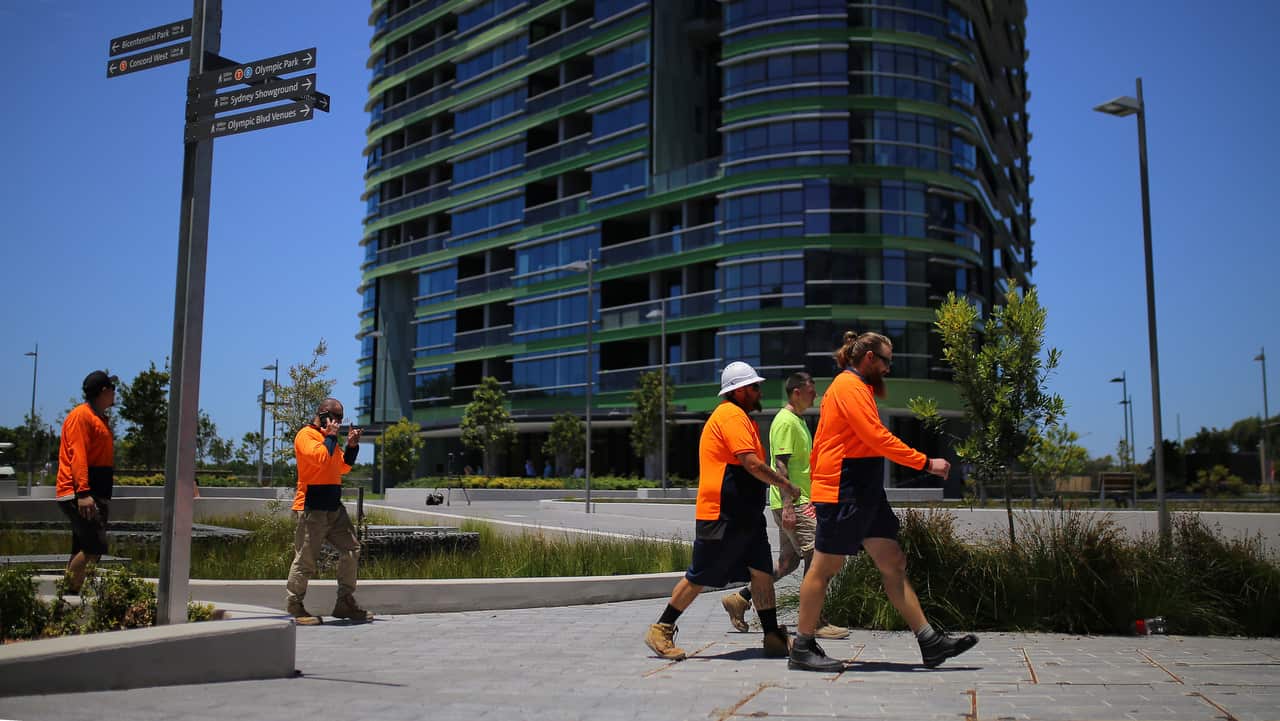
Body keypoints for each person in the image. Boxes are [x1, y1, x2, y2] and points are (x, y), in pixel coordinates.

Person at [788, 332, 977, 672]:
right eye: (887, 361)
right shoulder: (848, 387)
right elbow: (876, 437)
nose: (889, 369)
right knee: (824, 567)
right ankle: (802, 646)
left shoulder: (858, 387)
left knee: (892, 560)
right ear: (871, 358)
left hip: (864, 491)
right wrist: (926, 462)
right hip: (843, 489)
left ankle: (929, 642)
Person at [644, 361, 801, 661]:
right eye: (754, 387)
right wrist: (786, 485)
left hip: (745, 515)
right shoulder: (729, 415)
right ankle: (661, 628)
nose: (759, 391)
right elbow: (751, 464)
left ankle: (771, 635)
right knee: (700, 574)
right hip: (722, 513)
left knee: (762, 572)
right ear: (740, 391)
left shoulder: (742, 417)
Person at [722, 371, 849, 640]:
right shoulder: (785, 422)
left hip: (796, 500)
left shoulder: (798, 421)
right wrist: (790, 507)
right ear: (796, 392)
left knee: (788, 562)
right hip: (795, 502)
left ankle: (740, 599)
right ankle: (814, 622)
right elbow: (780, 464)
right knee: (818, 560)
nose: (816, 394)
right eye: (811, 389)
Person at [285, 398, 371, 625]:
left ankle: (344, 602)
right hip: (312, 506)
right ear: (323, 415)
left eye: (341, 419)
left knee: (351, 549)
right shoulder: (306, 436)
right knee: (306, 559)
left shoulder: (327, 439)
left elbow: (342, 466)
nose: (338, 423)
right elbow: (321, 460)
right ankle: (294, 605)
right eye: (335, 418)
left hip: (334, 506)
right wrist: (332, 437)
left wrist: (352, 446)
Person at [56, 371, 117, 594]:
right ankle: (68, 596)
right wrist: (83, 493)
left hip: (93, 492)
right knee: (94, 547)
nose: (114, 393)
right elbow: (78, 455)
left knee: (83, 547)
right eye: (112, 388)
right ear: (103, 391)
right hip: (80, 493)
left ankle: (68, 598)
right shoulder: (81, 416)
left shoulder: (98, 418)